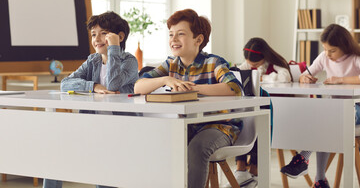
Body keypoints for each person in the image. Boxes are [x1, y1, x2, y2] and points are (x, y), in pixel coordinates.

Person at [134, 9, 243, 188]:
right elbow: (138, 86)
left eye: (180, 34)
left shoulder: (214, 63)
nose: (173, 40)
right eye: (171, 35)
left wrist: (194, 88)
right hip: (185, 125)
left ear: (198, 40)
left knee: (197, 148)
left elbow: (234, 88)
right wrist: (165, 79)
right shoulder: (170, 64)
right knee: (153, 141)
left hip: (220, 126)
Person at [43, 11, 138, 188]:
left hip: (120, 129)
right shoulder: (92, 60)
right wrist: (93, 86)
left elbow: (113, 84)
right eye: (93, 34)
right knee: (54, 155)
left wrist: (113, 49)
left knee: (104, 170)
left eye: (103, 33)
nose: (97, 39)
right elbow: (65, 83)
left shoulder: (130, 62)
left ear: (120, 36)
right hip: (91, 125)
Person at [280, 24, 360, 188]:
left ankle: (306, 162)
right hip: (333, 111)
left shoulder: (355, 57)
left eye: (332, 50)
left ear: (344, 46)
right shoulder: (324, 57)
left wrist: (340, 79)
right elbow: (306, 73)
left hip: (356, 107)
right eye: (325, 49)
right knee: (324, 120)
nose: (328, 54)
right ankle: (319, 178)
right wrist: (305, 78)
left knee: (326, 119)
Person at [225, 37, 292, 188]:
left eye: (255, 64)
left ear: (265, 57)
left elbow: (285, 77)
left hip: (277, 108)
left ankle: (254, 168)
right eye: (249, 63)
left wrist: (262, 77)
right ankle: (241, 167)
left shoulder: (275, 65)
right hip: (255, 108)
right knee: (243, 120)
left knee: (258, 123)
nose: (251, 65)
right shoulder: (247, 64)